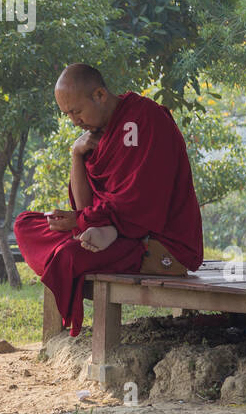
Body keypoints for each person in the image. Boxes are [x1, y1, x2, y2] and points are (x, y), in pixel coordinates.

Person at [14, 64, 204, 336]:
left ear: (100, 95)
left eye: (76, 111)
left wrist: (88, 222)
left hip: (156, 241)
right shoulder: (98, 133)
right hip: (111, 227)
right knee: (25, 224)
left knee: (67, 255)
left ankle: (107, 234)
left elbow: (144, 202)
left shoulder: (144, 119)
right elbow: (84, 208)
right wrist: (76, 155)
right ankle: (105, 234)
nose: (74, 122)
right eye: (67, 115)